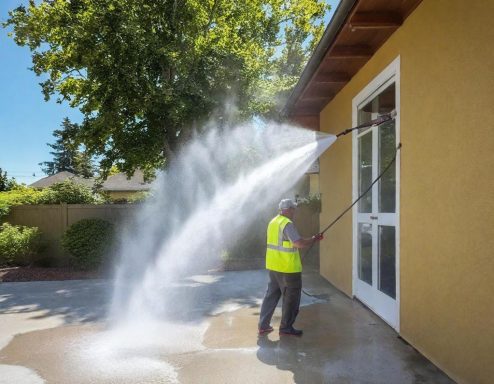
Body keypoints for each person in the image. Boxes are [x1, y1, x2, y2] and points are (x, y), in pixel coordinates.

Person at [258, 198, 323, 337]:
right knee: (291, 300)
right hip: (288, 269)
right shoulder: (287, 224)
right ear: (288, 210)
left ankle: (263, 326)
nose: (295, 212)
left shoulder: (273, 222)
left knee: (271, 296)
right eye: (293, 209)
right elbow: (298, 243)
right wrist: (314, 239)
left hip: (273, 267)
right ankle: (286, 328)